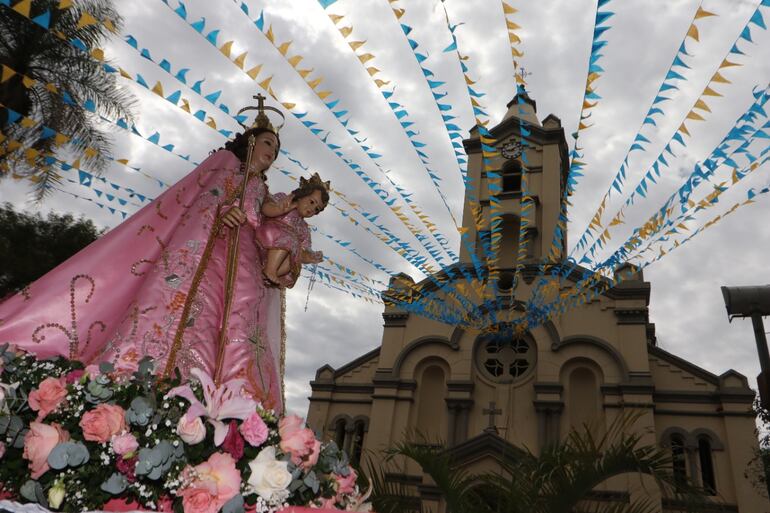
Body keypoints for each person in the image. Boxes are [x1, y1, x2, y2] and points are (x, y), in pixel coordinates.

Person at [0, 112, 287, 412]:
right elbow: (205, 198)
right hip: (213, 253)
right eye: (268, 142)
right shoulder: (227, 162)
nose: (272, 152)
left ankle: (237, 399)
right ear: (250, 141)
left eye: (276, 151)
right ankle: (179, 389)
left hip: (245, 265)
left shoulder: (263, 190)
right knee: (202, 314)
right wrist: (223, 211)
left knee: (241, 324)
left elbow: (271, 232)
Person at [257, 173, 329, 287]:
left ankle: (267, 273)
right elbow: (265, 209)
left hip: (283, 252)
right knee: (291, 240)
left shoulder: (304, 229)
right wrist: (279, 209)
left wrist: (310, 256)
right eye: (311, 202)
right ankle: (269, 270)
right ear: (301, 195)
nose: (312, 209)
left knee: (296, 255)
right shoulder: (284, 199)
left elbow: (305, 249)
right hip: (267, 236)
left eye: (316, 209)